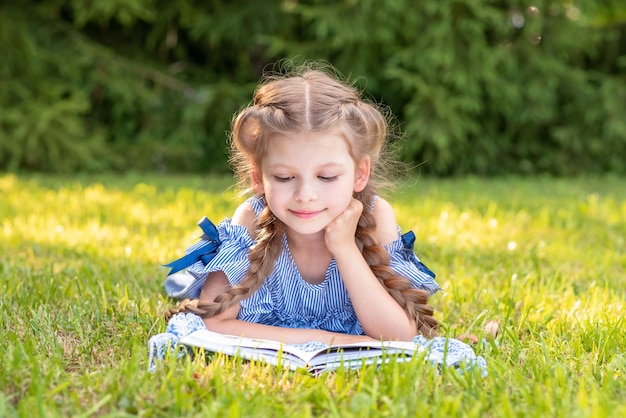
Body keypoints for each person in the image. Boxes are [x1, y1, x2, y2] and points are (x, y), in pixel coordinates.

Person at [149, 63, 486, 374]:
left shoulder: (376, 217)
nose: (305, 195)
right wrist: (324, 339)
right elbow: (216, 324)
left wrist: (345, 248)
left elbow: (398, 333)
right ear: (258, 177)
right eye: (283, 178)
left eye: (326, 177)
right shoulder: (250, 219)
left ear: (359, 174)